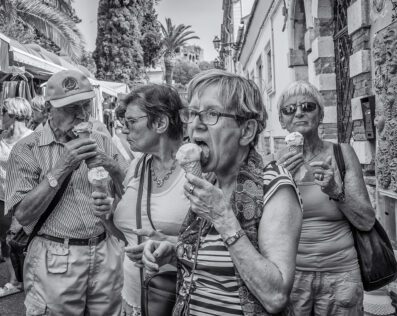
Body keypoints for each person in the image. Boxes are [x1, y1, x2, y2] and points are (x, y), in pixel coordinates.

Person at [141, 70, 303, 315]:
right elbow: (219, 264)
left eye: (211, 113)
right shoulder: (209, 181)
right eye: (193, 113)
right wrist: (174, 252)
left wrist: (223, 218)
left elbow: (276, 296)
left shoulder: (274, 186)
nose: (195, 124)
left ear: (246, 131)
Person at [5, 70, 128, 315]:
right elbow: (23, 215)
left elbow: (130, 190)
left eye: (85, 106)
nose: (82, 115)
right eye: (73, 108)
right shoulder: (26, 149)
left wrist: (113, 167)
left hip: (106, 252)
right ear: (50, 107)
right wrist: (62, 167)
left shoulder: (102, 141)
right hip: (55, 257)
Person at [273, 80, 375, 315]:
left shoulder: (342, 153)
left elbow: (366, 220)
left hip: (340, 276)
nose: (299, 112)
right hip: (291, 276)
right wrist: (276, 178)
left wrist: (335, 192)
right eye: (290, 109)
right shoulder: (272, 162)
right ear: (282, 121)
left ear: (320, 115)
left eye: (308, 106)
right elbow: (258, 222)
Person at [91, 84, 190, 316]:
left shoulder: (196, 169)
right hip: (136, 297)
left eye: (131, 122)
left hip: (179, 298)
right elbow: (130, 237)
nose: (124, 131)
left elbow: (213, 244)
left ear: (160, 123)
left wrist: (170, 245)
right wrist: (106, 218)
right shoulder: (137, 166)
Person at [0, 97, 33, 297]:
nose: (1, 117)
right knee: (7, 238)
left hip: (24, 198)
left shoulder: (33, 138)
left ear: (12, 115)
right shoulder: (1, 139)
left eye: (3, 113)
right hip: (2, 197)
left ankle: (24, 280)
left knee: (24, 238)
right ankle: (15, 280)